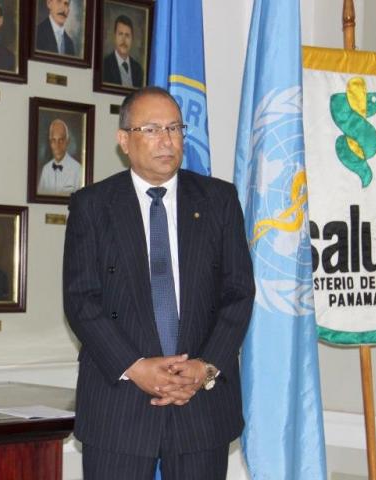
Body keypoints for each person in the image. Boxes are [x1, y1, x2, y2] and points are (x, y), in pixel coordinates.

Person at [63, 86, 255, 479]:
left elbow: (239, 292)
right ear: (124, 140)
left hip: (199, 404)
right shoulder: (93, 205)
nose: (166, 140)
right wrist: (134, 367)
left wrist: (205, 366)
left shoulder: (218, 200)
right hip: (118, 403)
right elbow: (81, 300)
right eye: (151, 129)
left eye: (174, 128)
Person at [37, 118, 82, 196]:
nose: (57, 145)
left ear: (67, 141)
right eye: (53, 140)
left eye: (61, 140)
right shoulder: (46, 169)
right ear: (50, 143)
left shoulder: (77, 169)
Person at [102, 15, 144, 88]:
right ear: (114, 37)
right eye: (120, 34)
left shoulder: (138, 70)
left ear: (132, 39)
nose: (123, 40)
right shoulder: (105, 66)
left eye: (127, 35)